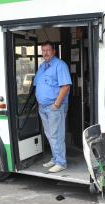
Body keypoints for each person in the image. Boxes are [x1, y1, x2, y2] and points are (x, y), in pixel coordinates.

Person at [34, 41, 72, 173]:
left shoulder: (60, 65)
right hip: (43, 107)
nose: (45, 53)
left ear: (54, 51)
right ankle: (55, 159)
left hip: (54, 107)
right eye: (43, 50)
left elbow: (66, 86)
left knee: (56, 135)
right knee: (49, 135)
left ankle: (61, 162)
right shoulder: (42, 66)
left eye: (48, 50)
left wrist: (56, 104)